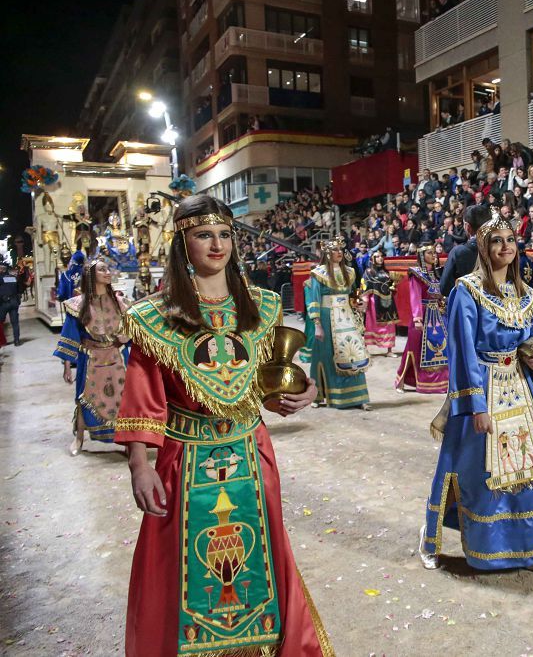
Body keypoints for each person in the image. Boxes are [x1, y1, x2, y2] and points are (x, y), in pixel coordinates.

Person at [114, 195, 332, 656]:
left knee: (262, 560)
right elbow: (143, 396)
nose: (217, 244)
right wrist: (139, 463)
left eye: (225, 235)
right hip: (184, 459)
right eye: (203, 235)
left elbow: (271, 385)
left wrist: (303, 392)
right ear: (183, 244)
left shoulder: (264, 307)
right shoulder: (153, 318)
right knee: (184, 569)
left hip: (251, 455)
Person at [418, 216, 533, 578]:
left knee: (527, 473)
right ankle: (483, 550)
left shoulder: (528, 294)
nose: (505, 246)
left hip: (519, 392)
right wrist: (475, 406)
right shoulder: (466, 290)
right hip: (483, 392)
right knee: (480, 477)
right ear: (483, 248)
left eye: (511, 239)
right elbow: (462, 353)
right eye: (496, 241)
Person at [54, 260, 129, 455]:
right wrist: (67, 365)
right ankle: (79, 439)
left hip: (118, 356)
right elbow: (70, 335)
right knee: (84, 398)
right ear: (91, 275)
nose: (107, 272)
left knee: (125, 400)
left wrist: (127, 337)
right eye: (102, 269)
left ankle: (129, 440)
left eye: (107, 269)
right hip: (91, 358)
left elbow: (131, 329)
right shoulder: (78, 305)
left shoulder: (118, 302)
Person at [305, 238, 371, 410]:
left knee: (353, 353)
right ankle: (319, 395)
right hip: (327, 317)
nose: (339, 253)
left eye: (341, 250)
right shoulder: (318, 273)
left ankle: (359, 396)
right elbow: (314, 299)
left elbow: (353, 295)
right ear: (327, 253)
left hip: (347, 316)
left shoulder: (349, 272)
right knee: (325, 356)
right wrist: (317, 324)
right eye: (335, 250)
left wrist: (359, 303)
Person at [395, 245, 449, 394]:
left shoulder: (437, 274)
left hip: (437, 315)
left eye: (435, 253)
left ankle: (440, 382)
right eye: (430, 253)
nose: (434, 255)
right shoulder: (417, 273)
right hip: (423, 315)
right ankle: (401, 380)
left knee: (440, 348)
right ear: (421, 255)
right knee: (414, 348)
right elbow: (415, 296)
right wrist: (417, 318)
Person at [439, 204, 492, 298]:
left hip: (468, 308)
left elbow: (445, 288)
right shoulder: (504, 249)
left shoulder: (458, 252)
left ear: (467, 226)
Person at [361, 251, 399, 355]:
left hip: (388, 301)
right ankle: (365, 349)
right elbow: (365, 286)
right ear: (372, 259)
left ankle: (389, 350)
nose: (380, 258)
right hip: (374, 302)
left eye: (381, 256)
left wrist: (393, 288)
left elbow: (391, 286)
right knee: (370, 324)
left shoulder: (386, 272)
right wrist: (365, 302)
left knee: (389, 325)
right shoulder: (368, 272)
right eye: (377, 256)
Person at [0, 262, 23, 346]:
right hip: (14, 302)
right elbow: (19, 290)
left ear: (1, 269)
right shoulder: (13, 277)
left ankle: (2, 341)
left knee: (0, 322)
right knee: (15, 323)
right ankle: (16, 341)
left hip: (3, 303)